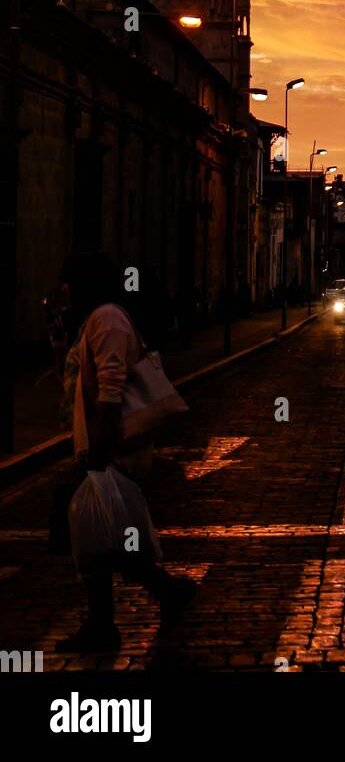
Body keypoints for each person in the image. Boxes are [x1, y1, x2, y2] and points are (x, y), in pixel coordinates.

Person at [55, 251, 196, 654]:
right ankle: (110, 620)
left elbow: (111, 387)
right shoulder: (93, 321)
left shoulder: (108, 319)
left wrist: (99, 448)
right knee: (99, 534)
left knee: (109, 533)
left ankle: (165, 592)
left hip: (115, 444)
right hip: (99, 443)